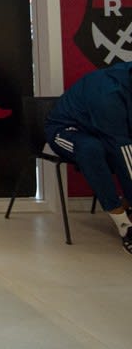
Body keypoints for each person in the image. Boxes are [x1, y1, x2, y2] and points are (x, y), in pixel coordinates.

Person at [45, 60, 132, 253]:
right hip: (67, 130)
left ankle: (127, 203)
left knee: (106, 146)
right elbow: (122, 146)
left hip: (103, 131)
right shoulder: (109, 93)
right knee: (91, 149)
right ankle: (123, 222)